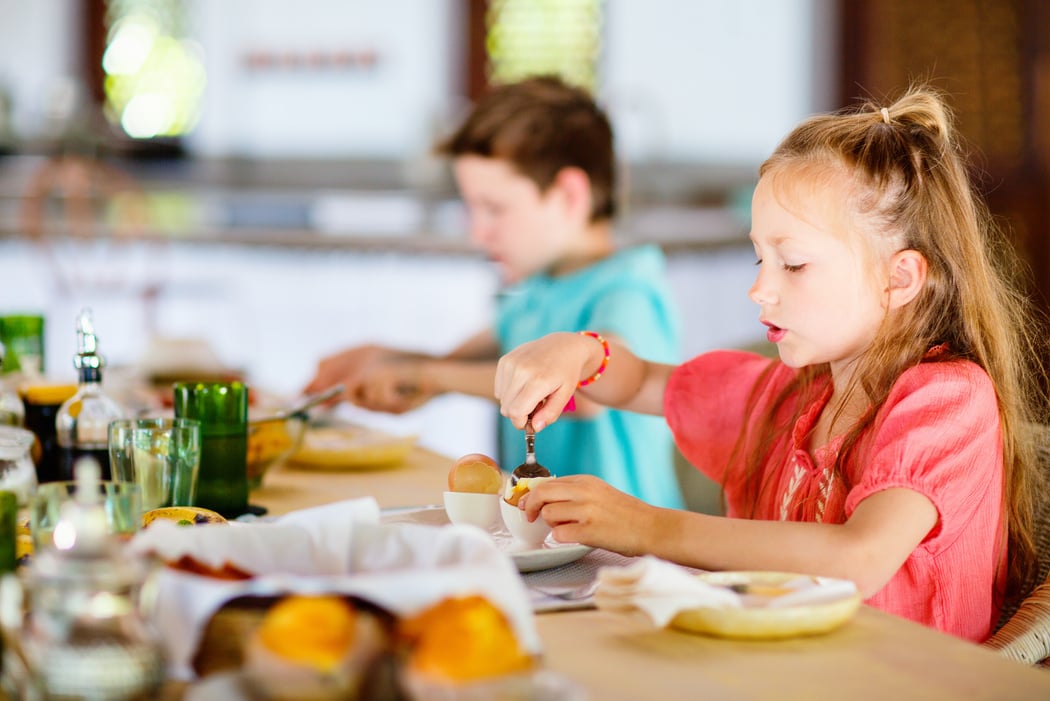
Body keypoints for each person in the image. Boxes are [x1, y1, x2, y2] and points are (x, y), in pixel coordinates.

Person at [494, 85, 1049, 642]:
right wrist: (580, 351)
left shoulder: (949, 399)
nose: (760, 288)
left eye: (795, 264)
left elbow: (859, 558)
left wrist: (642, 525)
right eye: (761, 257)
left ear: (899, 278)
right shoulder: (790, 394)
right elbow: (641, 381)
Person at [304, 76, 685, 509]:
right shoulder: (537, 290)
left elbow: (584, 390)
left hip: (629, 558)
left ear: (568, 195)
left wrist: (429, 377)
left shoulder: (628, 288)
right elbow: (462, 364)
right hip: (549, 538)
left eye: (494, 208)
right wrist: (385, 359)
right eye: (471, 208)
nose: (477, 230)